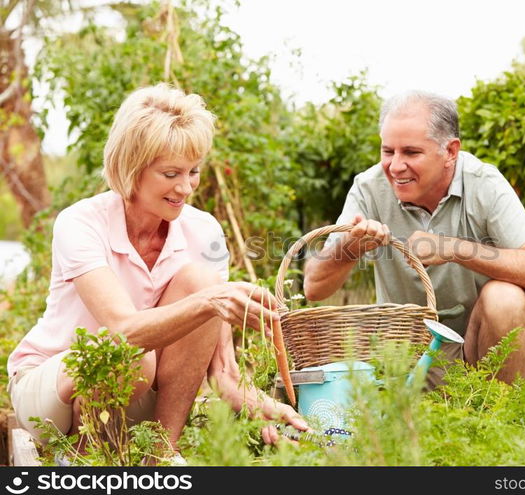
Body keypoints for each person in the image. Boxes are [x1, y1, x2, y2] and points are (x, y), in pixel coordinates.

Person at [6, 83, 307, 459]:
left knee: (198, 283)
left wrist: (259, 406)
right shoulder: (81, 222)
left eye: (193, 171)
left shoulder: (203, 231)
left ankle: (161, 455)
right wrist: (212, 300)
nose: (185, 187)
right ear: (132, 168)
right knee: (133, 353)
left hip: (140, 392)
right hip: (53, 392)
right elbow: (122, 331)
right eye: (170, 174)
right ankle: (85, 460)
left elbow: (223, 372)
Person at [303, 91, 525, 386]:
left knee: (505, 298)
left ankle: (495, 420)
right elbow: (313, 287)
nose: (395, 166)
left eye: (411, 153)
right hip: (406, 356)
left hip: (482, 351)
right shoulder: (368, 189)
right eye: (388, 151)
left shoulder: (484, 184)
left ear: (450, 151)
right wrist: (349, 248)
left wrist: (454, 248)